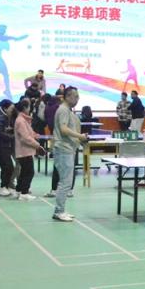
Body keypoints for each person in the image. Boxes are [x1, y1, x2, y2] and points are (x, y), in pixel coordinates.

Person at [49, 86, 87, 222]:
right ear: (68, 96)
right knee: (65, 182)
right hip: (63, 149)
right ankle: (59, 211)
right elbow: (63, 129)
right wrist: (80, 136)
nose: (77, 99)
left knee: (66, 181)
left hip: (68, 149)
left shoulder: (67, 111)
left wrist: (79, 139)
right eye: (75, 96)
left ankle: (61, 210)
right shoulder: (63, 110)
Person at [12, 98, 44, 201]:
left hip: (24, 150)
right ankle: (24, 193)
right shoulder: (21, 121)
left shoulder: (23, 119)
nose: (30, 109)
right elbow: (25, 138)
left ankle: (18, 190)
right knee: (29, 172)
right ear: (25, 108)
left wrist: (35, 135)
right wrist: (37, 145)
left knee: (24, 171)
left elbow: (28, 132)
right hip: (24, 151)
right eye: (29, 106)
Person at [0, 99, 16, 196]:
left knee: (8, 167)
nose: (13, 110)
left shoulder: (7, 117)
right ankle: (3, 187)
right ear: (5, 108)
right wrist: (12, 136)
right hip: (1, 146)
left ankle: (6, 186)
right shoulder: (1, 118)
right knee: (7, 167)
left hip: (5, 145)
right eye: (11, 108)